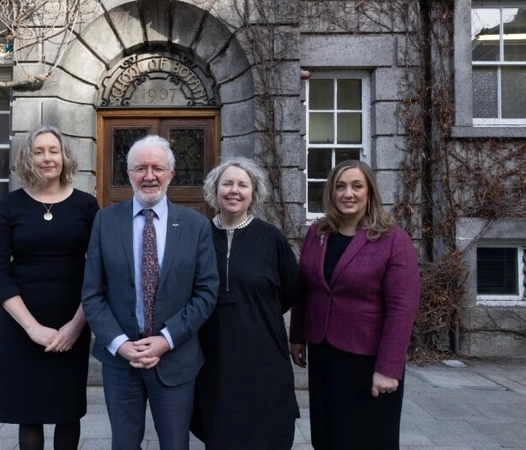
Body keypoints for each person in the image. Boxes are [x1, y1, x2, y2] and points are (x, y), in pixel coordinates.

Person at [81, 134, 219, 450]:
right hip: (121, 363)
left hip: (175, 360)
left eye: (157, 167)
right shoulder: (105, 221)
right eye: (140, 168)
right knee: (124, 444)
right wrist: (120, 344)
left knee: (174, 444)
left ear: (171, 174)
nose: (149, 176)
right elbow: (92, 293)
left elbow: (206, 292)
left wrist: (166, 340)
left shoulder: (196, 225)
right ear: (128, 174)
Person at [289, 160, 420, 449]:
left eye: (357, 186)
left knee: (369, 439)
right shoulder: (317, 233)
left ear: (369, 192)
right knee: (328, 436)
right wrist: (297, 337)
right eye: (340, 186)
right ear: (331, 193)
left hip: (368, 360)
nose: (348, 193)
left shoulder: (392, 240)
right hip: (324, 355)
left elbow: (402, 308)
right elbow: (305, 289)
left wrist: (388, 368)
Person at [0, 125, 99, 450]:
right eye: (39, 151)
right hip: (22, 324)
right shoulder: (9, 205)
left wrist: (76, 327)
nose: (47, 158)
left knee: (67, 413)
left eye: (53, 150)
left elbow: (98, 270)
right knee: (29, 414)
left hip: (72, 319)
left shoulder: (86, 205)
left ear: (64, 156)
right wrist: (32, 328)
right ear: (28, 158)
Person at [192, 157, 301, 449]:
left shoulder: (271, 238)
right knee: (221, 432)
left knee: (267, 432)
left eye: (243, 184)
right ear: (215, 190)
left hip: (263, 353)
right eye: (227, 183)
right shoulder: (198, 236)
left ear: (254, 192)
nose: (234, 190)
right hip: (214, 357)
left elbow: (291, 290)